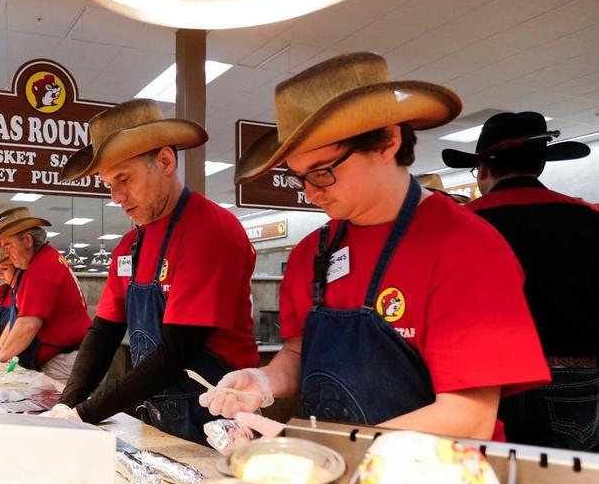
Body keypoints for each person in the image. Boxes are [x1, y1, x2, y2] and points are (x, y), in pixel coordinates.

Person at [201, 52, 549, 440]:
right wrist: (264, 381)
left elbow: (468, 417)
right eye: (300, 178)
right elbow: (298, 354)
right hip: (333, 476)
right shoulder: (311, 253)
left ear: (386, 142)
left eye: (322, 172)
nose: (311, 193)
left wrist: (320, 449)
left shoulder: (468, 249)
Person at [41, 99, 259, 444]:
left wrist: (86, 413)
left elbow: (177, 352)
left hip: (216, 417)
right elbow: (104, 333)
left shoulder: (210, 232)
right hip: (157, 411)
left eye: (123, 179)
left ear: (165, 161)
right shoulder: (130, 245)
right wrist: (68, 403)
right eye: (108, 184)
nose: (115, 196)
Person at [442, 111, 599, 450]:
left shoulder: (460, 225)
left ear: (483, 168)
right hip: (579, 380)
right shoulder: (590, 218)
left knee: (485, 482)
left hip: (486, 380)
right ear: (540, 166)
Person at [0, 208, 90, 382]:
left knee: (54, 407)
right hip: (64, 357)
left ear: (27, 240)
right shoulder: (40, 262)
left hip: (67, 359)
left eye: (8, 245)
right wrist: (1, 347)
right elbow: (18, 318)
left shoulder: (42, 268)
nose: (6, 253)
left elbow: (28, 325)